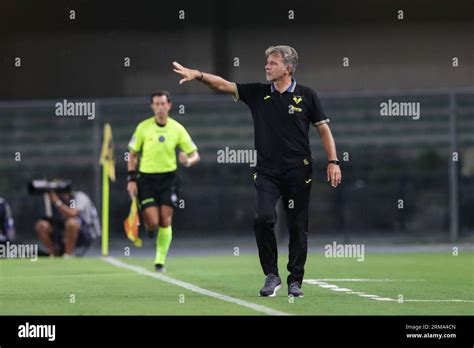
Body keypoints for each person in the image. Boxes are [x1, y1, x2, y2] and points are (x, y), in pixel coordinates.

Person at [172, 45, 342, 297]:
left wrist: (333, 161)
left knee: (297, 226)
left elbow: (323, 129)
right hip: (266, 172)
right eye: (267, 62)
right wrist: (198, 75)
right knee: (263, 218)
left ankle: (295, 280)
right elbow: (223, 85)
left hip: (298, 171)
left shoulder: (307, 96)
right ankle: (271, 275)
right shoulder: (258, 93)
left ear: (288, 68)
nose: (267, 66)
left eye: (273, 63)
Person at [127, 90, 200, 272]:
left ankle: (160, 261)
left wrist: (188, 161)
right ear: (152, 107)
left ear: (169, 105)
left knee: (165, 221)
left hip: (169, 179)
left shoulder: (177, 128)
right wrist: (131, 180)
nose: (160, 107)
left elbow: (194, 154)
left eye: (163, 104)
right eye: (156, 104)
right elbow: (133, 154)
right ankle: (150, 228)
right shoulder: (143, 127)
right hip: (146, 180)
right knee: (153, 221)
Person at [35, 189, 100, 257]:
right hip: (62, 229)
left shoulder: (76, 197)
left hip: (85, 231)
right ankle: (53, 254)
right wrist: (50, 200)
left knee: (71, 223)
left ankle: (68, 255)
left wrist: (57, 202)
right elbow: (48, 217)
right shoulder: (54, 197)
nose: (62, 195)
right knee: (41, 225)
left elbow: (72, 213)